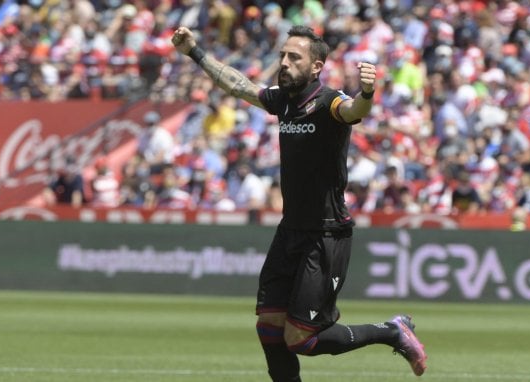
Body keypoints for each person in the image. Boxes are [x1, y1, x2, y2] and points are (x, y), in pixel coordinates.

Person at [172, 25, 427, 381]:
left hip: (326, 234)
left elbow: (355, 111)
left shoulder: (328, 101)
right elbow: (237, 85)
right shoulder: (284, 100)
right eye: (282, 56)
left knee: (301, 339)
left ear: (316, 66)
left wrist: (368, 91)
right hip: (290, 230)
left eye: (295, 57)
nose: (285, 62)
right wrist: (194, 52)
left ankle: (392, 332)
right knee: (269, 328)